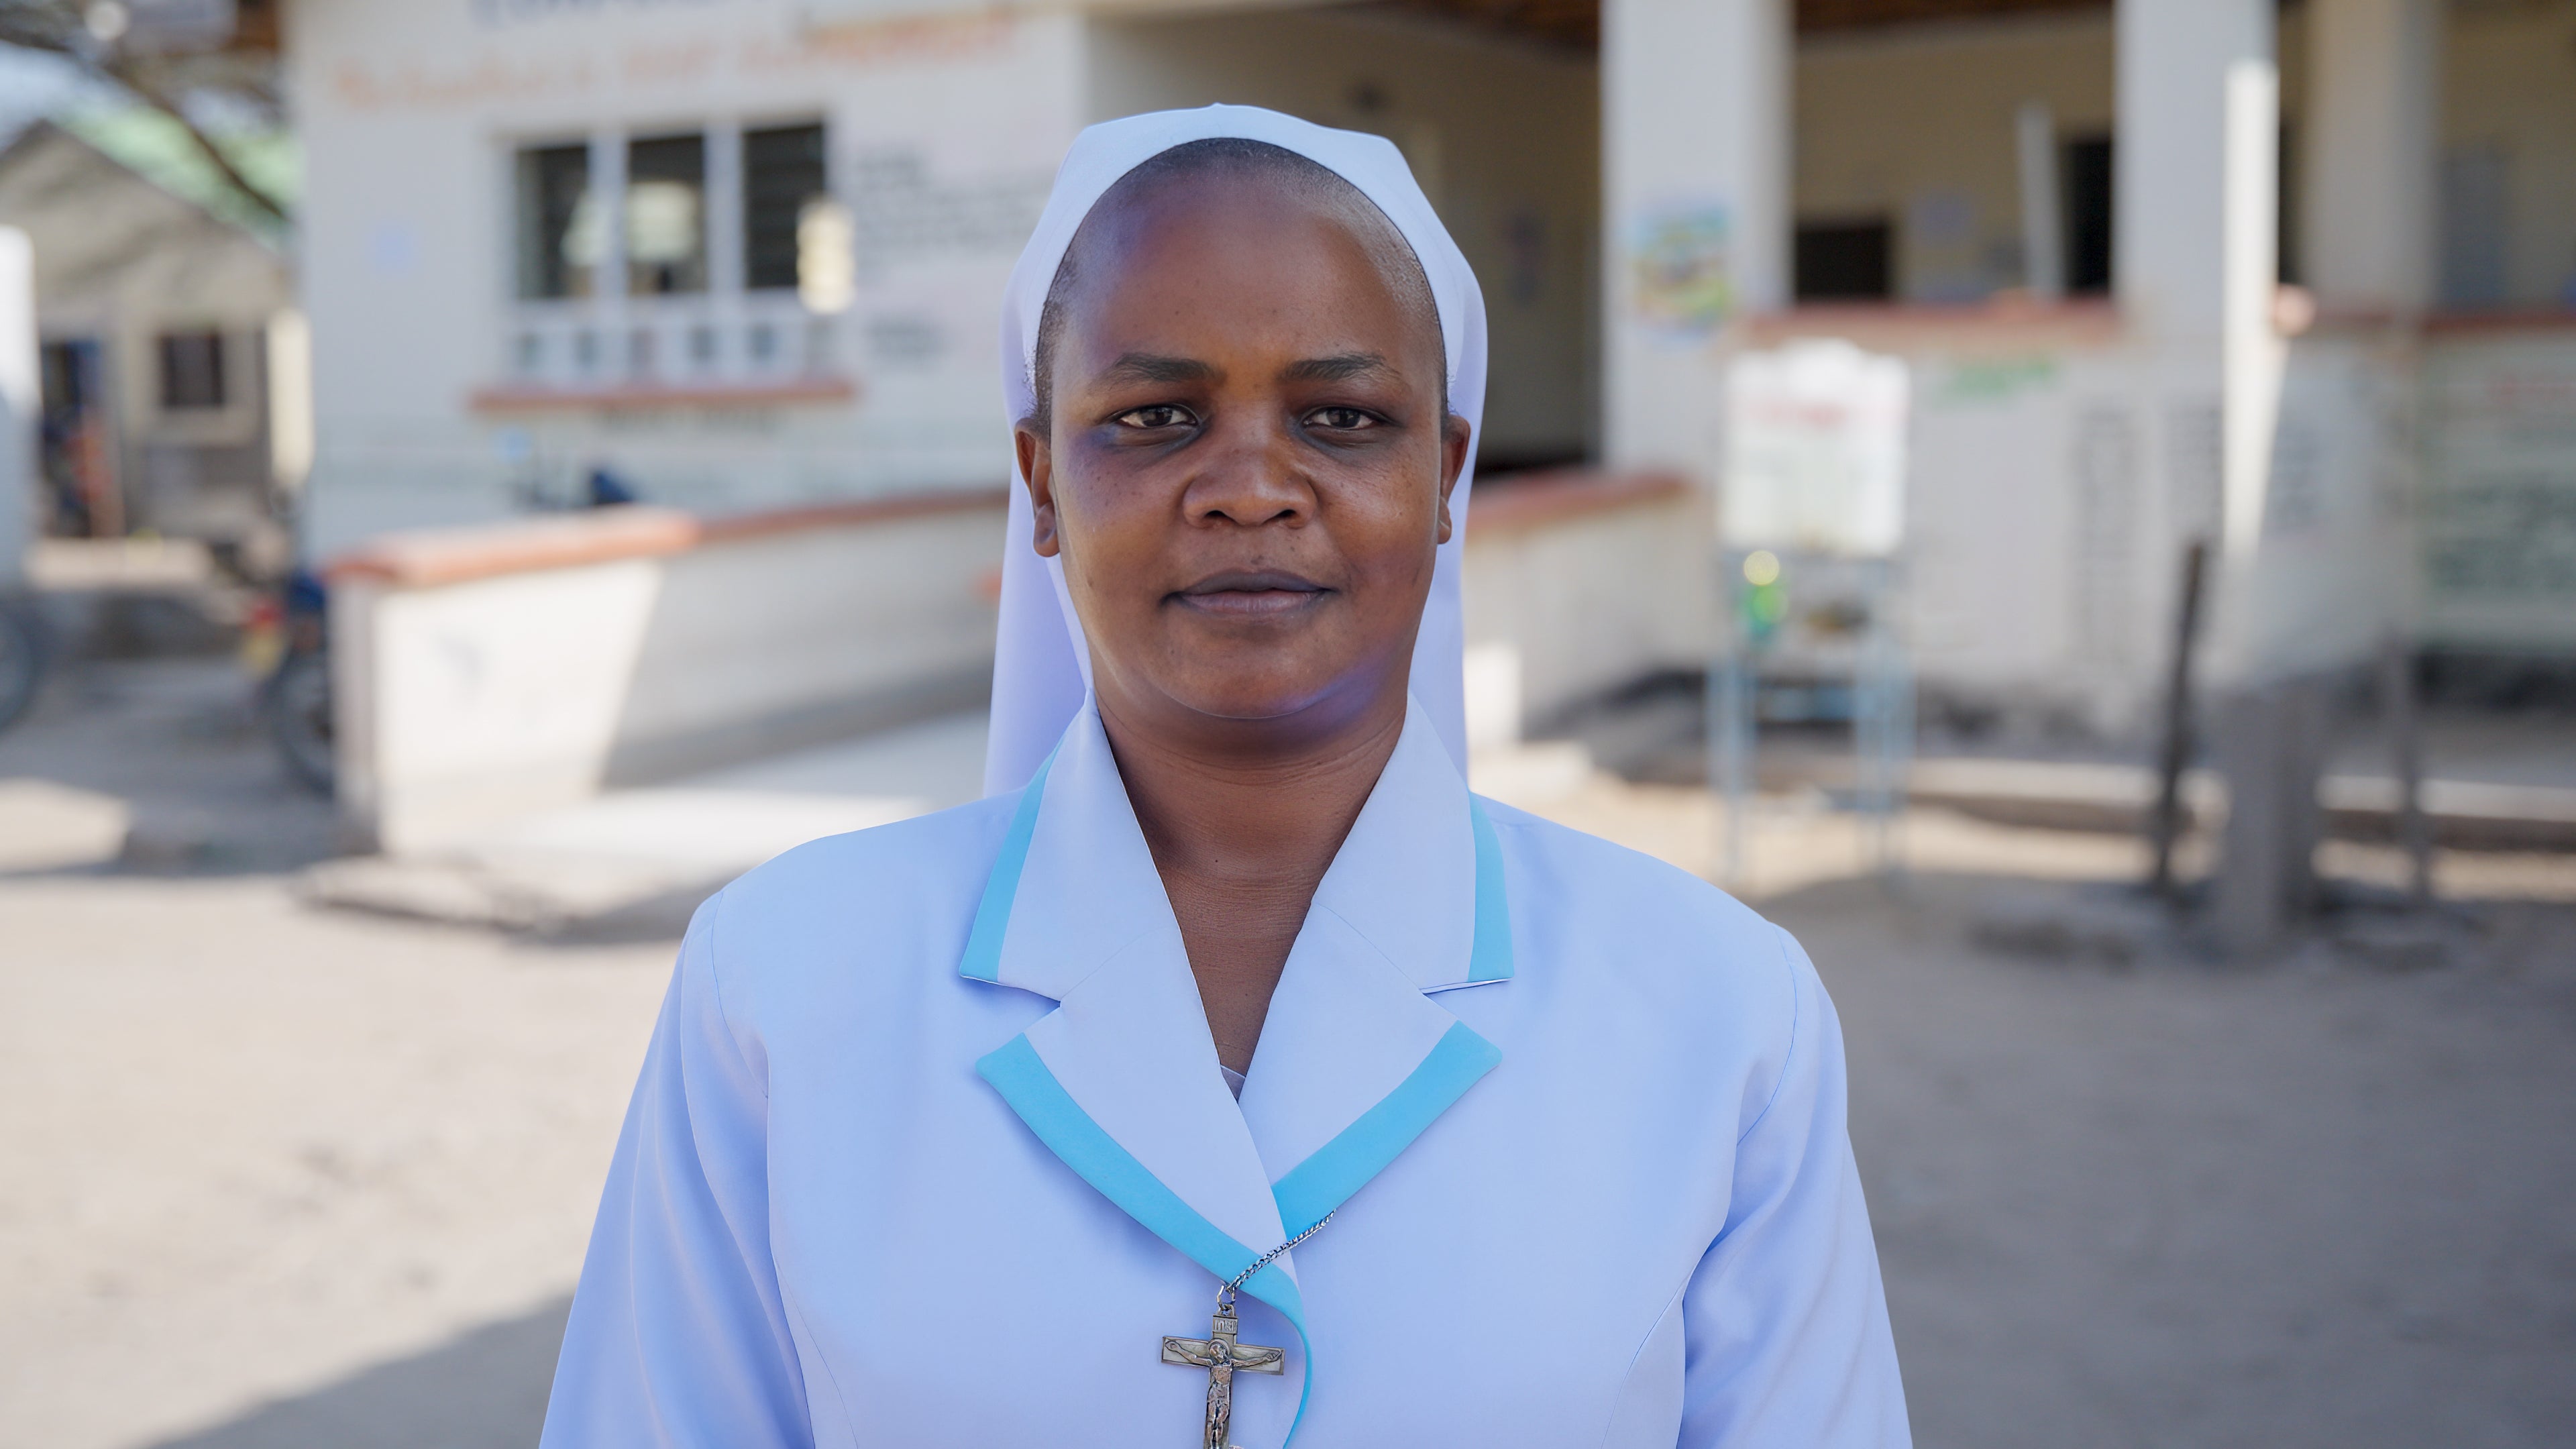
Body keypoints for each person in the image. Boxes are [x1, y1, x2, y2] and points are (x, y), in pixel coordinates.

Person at [540, 105, 1909, 1449]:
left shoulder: (1722, 1017)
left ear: (1448, 472)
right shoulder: (780, 984)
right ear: (1040, 481)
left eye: (1341, 415)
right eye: (1153, 418)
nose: (1250, 486)